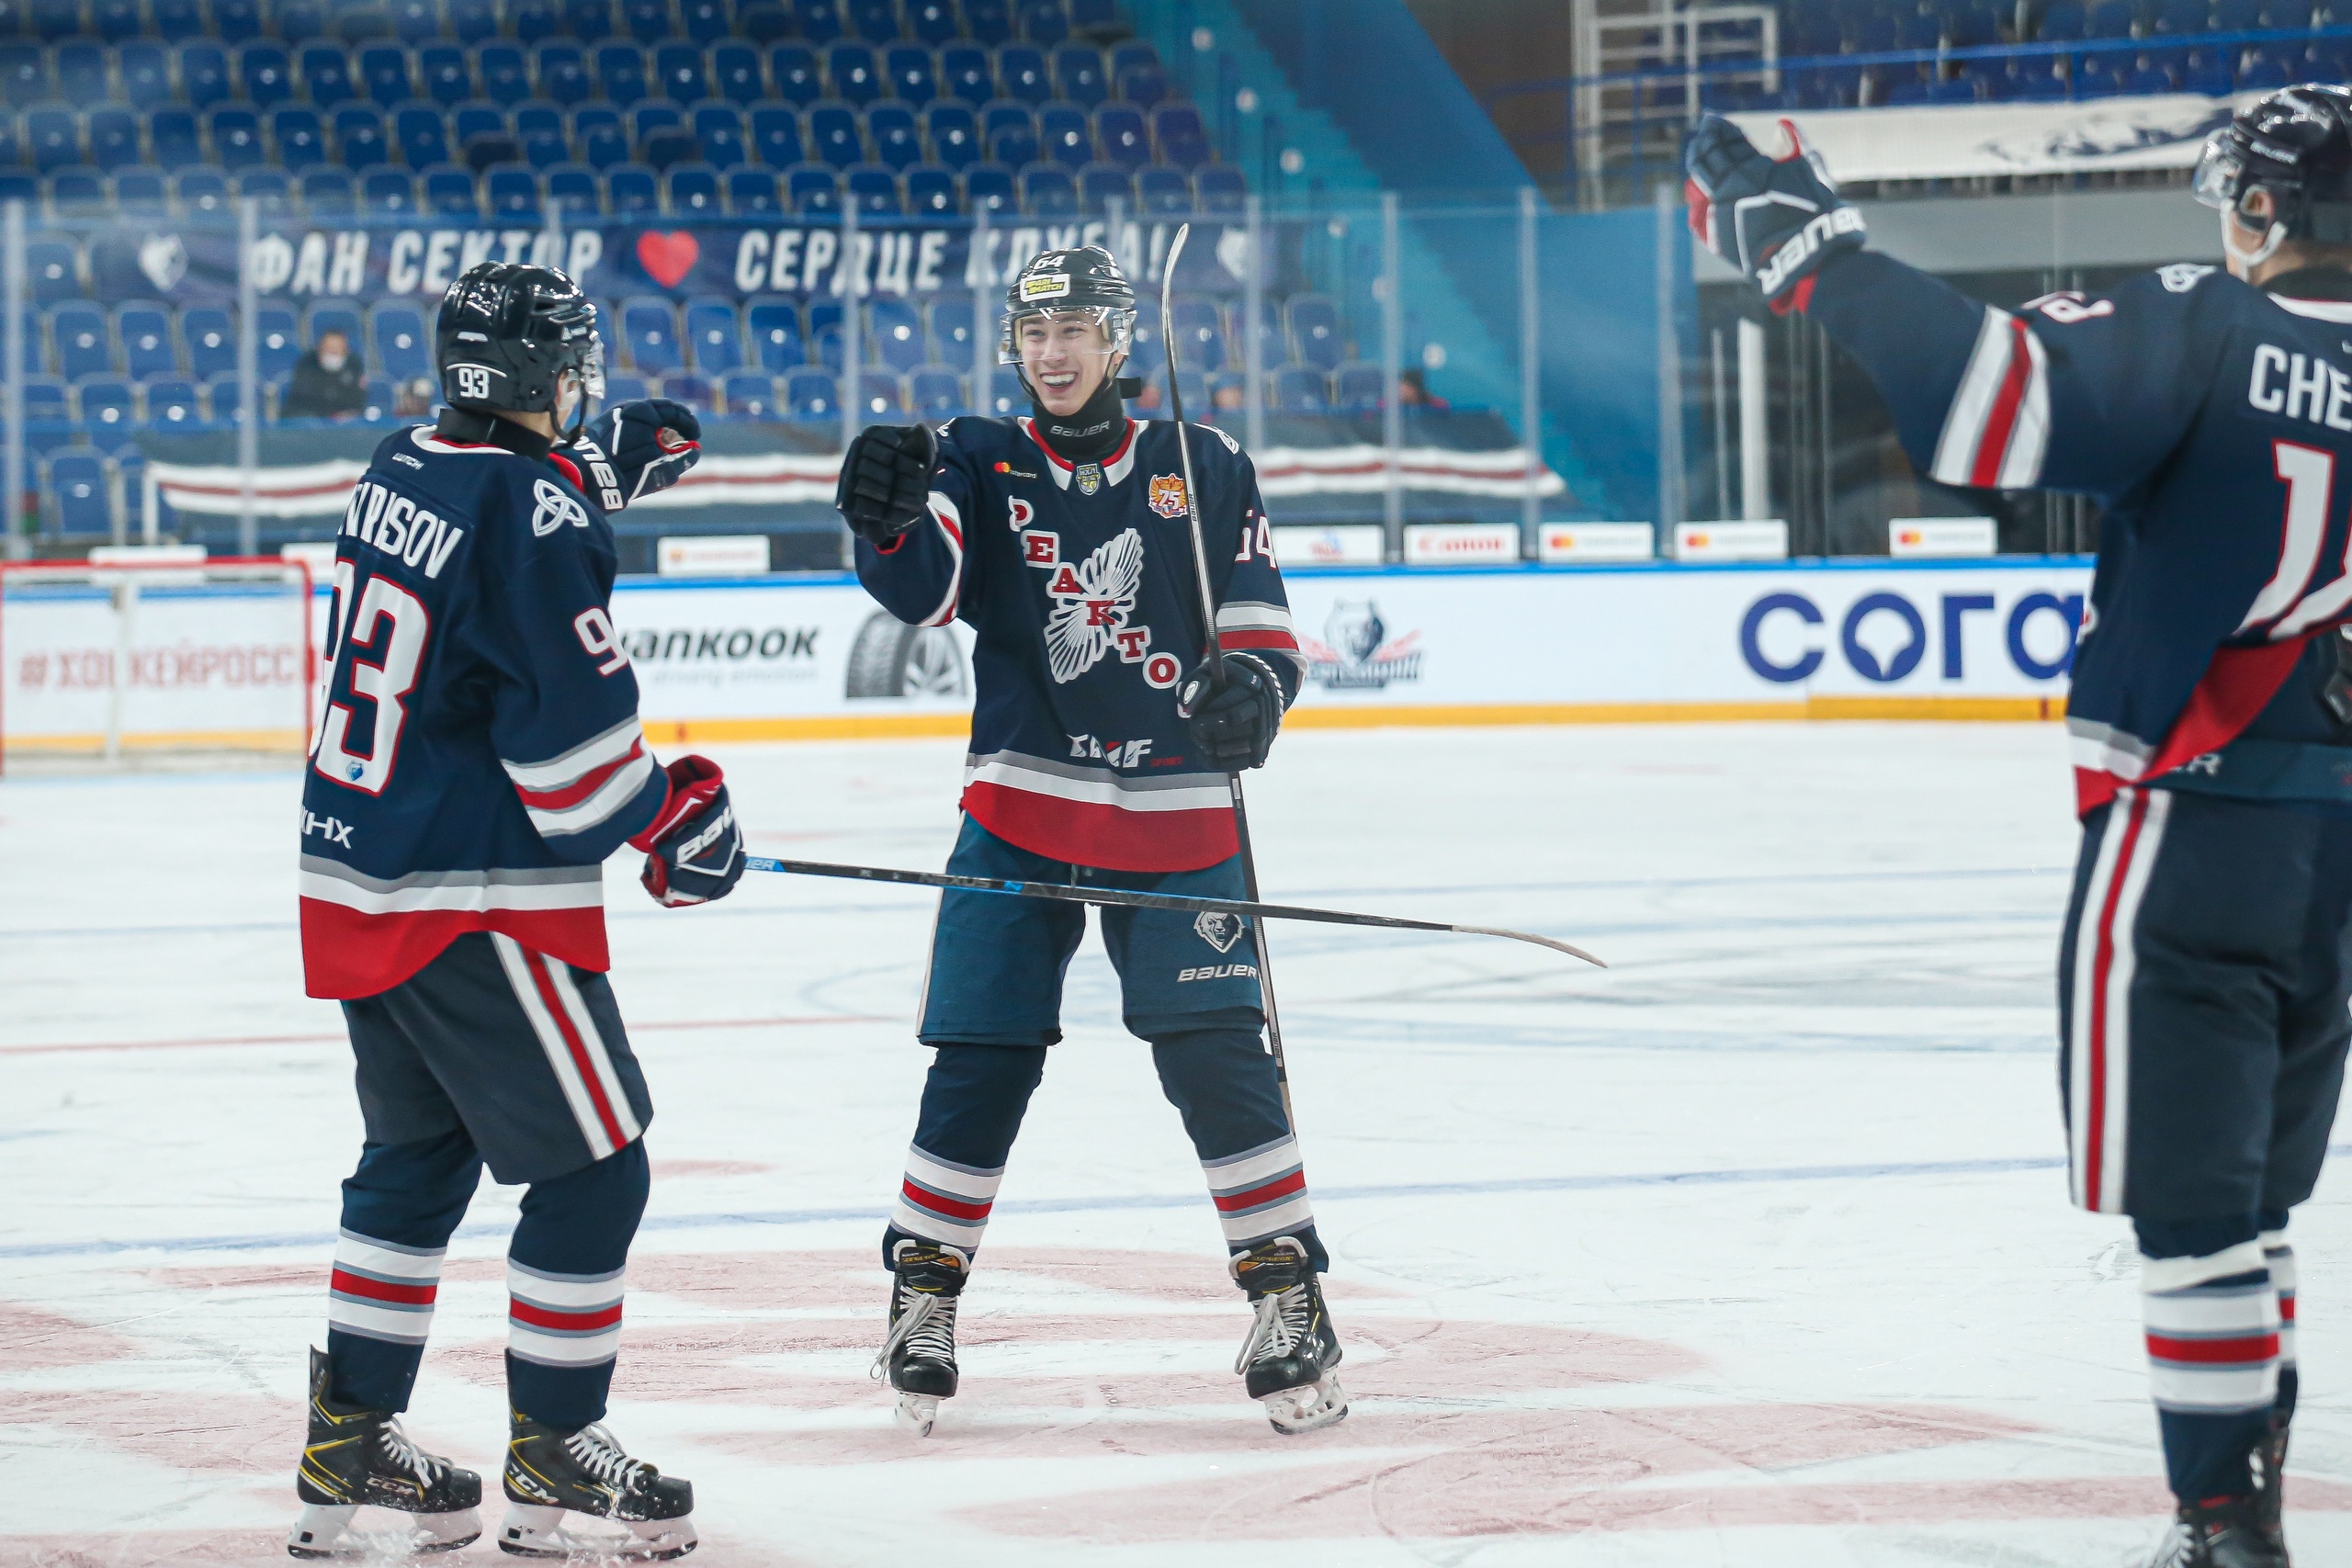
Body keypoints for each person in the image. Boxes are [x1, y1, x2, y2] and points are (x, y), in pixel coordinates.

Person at [1686, 88, 2352, 1568]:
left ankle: (2224, 1523)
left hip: (2191, 821)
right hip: (2338, 845)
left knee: (2193, 1209)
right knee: (2255, 1198)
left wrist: (1811, 249)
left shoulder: (2220, 322)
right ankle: (2245, 1498)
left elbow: (1989, 400)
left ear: (2267, 211)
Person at [833, 246, 1344, 1438]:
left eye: (1074, 330)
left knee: (1217, 1056)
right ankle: (923, 1295)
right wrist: (885, 519)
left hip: (1175, 811)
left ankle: (1288, 1293)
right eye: (1034, 332)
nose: (1052, 352)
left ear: (1118, 340)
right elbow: (922, 590)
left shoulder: (1201, 463)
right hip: (1021, 806)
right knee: (980, 1056)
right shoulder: (975, 453)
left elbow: (1263, 635)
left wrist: (1257, 695)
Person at [287, 262, 736, 1562]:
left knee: (417, 1162)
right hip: (470, 896)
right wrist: (680, 818)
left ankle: (347, 1437)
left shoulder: (399, 460)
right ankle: (556, 1446)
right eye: (572, 370)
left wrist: (587, 473)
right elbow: (577, 772)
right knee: (598, 1167)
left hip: (360, 876)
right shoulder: (534, 508)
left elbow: (489, 517)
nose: (585, 389)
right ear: (541, 377)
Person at [281, 329, 368, 420]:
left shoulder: (354, 364)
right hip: (310, 419)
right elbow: (302, 398)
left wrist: (348, 414)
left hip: (345, 421)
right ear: (320, 349)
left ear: (346, 350)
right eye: (329, 349)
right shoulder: (306, 363)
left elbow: (358, 398)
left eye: (336, 350)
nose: (333, 354)